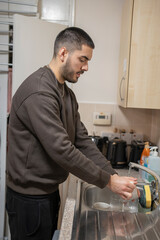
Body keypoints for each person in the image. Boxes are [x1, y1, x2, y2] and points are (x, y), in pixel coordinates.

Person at [6, 27, 137, 240]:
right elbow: (62, 150)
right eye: (82, 59)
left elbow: (81, 141)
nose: (86, 67)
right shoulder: (40, 92)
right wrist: (107, 181)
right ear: (63, 53)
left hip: (46, 193)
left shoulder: (66, 93)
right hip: (28, 200)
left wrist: (111, 174)